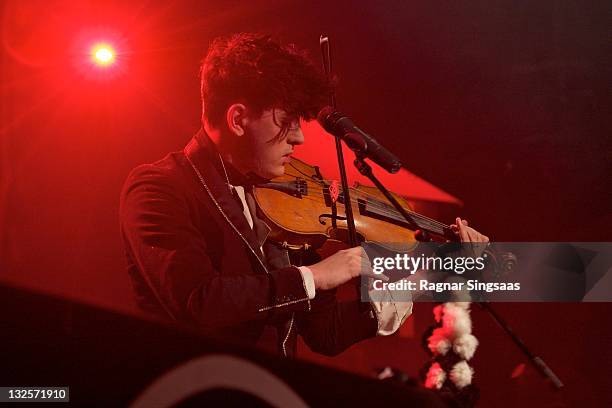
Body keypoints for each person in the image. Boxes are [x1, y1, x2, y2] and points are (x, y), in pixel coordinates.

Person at [119, 33, 489, 357]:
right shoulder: (160, 187)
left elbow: (327, 335)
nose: (299, 138)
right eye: (288, 122)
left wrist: (429, 275)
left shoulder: (279, 207)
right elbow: (198, 302)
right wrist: (314, 277)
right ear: (237, 119)